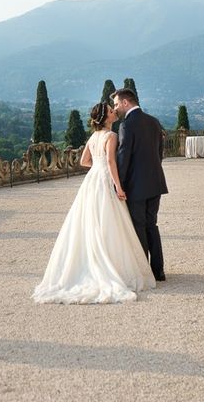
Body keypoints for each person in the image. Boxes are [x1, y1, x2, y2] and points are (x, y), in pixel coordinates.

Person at [32, 102, 155, 304]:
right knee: (109, 221)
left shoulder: (93, 137)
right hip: (105, 178)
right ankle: (112, 266)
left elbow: (84, 161)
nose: (113, 112)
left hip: (92, 179)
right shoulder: (111, 136)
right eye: (110, 111)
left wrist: (96, 166)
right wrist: (118, 186)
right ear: (106, 118)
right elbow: (111, 162)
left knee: (92, 221)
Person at [111, 88, 168, 281]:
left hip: (136, 186)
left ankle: (144, 272)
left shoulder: (127, 125)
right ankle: (158, 271)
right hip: (155, 182)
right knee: (152, 224)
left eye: (117, 104)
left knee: (139, 227)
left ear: (126, 103)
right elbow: (159, 154)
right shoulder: (154, 121)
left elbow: (123, 157)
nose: (115, 108)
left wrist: (119, 185)